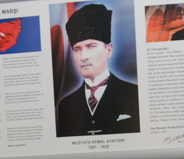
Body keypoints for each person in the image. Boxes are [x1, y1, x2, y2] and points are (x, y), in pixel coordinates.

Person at [56, 3, 140, 137]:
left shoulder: (134, 94)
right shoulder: (66, 105)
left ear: (109, 50)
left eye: (91, 46)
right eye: (77, 49)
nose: (83, 57)